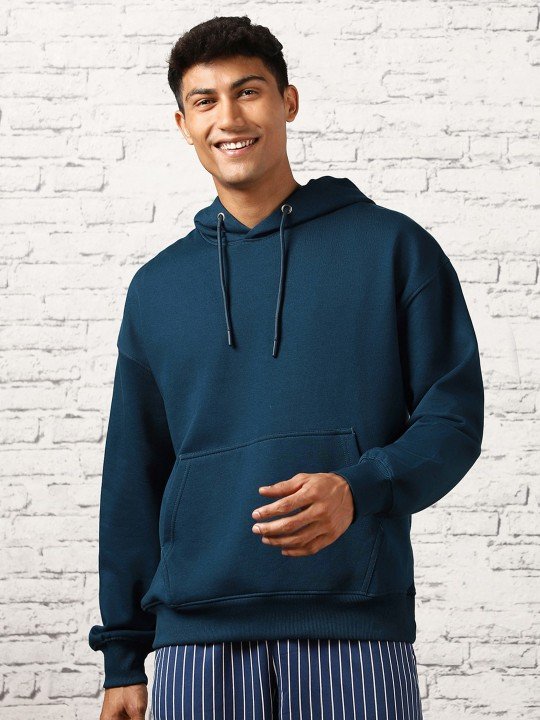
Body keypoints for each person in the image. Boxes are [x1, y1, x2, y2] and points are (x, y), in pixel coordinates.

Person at [89, 14, 484, 720]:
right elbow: (133, 474)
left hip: (357, 633)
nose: (229, 118)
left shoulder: (393, 248)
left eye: (249, 92)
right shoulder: (156, 289)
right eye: (205, 101)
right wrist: (124, 653)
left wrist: (361, 488)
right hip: (194, 645)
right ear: (183, 124)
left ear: (287, 102)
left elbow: (452, 419)